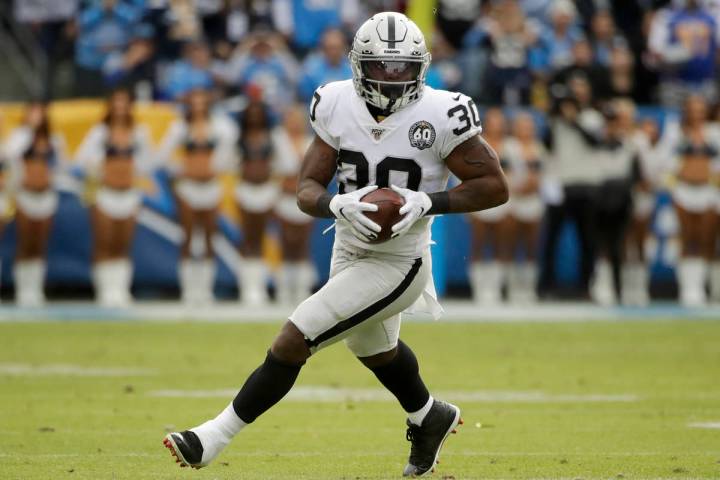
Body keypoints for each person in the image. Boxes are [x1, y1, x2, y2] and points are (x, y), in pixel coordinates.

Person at [163, 12, 508, 477]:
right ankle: (429, 415)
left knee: (295, 337)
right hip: (347, 247)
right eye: (381, 67)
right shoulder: (334, 102)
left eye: (403, 66)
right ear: (357, 65)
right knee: (373, 349)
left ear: (421, 66)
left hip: (400, 260)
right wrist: (336, 205)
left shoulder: (443, 111)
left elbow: (494, 186)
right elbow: (306, 187)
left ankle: (211, 437)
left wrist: (428, 200)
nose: (391, 78)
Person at [75, 88, 155, 307]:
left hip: (128, 194)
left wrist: (133, 172)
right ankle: (104, 290)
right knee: (104, 242)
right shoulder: (100, 132)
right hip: (105, 193)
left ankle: (120, 290)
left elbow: (149, 162)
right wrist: (102, 168)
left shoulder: (139, 133)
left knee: (123, 243)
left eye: (124, 102)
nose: (120, 107)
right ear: (110, 105)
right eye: (116, 102)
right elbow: (81, 158)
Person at [158, 88, 238, 305]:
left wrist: (218, 167)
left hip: (211, 187)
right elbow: (162, 156)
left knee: (210, 236)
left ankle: (205, 289)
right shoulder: (180, 127)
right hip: (188, 187)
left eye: (202, 101)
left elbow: (231, 147)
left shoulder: (219, 126)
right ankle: (188, 289)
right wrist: (180, 170)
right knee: (189, 236)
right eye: (194, 102)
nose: (198, 106)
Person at [3, 102, 68, 306]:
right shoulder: (19, 136)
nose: (37, 117)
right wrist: (28, 132)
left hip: (46, 195)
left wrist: (52, 179)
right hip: (24, 194)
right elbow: (9, 155)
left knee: (40, 243)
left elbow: (63, 164)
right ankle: (22, 290)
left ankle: (35, 288)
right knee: (25, 242)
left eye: (40, 114)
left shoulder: (54, 140)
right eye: (33, 113)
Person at [665, 94, 720, 306]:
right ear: (686, 111)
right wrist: (672, 183)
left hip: (708, 190)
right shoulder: (675, 131)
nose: (696, 114)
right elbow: (667, 159)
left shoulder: (715, 132)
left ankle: (703, 286)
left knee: (706, 239)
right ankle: (688, 289)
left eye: (700, 109)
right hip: (683, 190)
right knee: (688, 239)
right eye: (692, 109)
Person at [467, 108, 516, 303]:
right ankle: (479, 289)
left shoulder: (511, 146)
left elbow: (517, 172)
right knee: (478, 244)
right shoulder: (475, 144)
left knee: (500, 245)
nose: (496, 125)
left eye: (500, 121)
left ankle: (495, 288)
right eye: (492, 121)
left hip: (503, 201)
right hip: (479, 201)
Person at [272, 105, 316, 304]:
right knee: (285, 243)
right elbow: (277, 169)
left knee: (302, 244)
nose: (295, 123)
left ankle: (301, 288)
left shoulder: (310, 142)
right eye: (291, 119)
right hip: (283, 197)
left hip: (303, 199)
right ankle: (283, 288)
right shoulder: (278, 140)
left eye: (298, 119)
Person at [235, 97, 277, 305]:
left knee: (260, 239)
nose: (254, 116)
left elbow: (278, 162)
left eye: (258, 112)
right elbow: (231, 160)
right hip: (246, 189)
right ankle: (246, 286)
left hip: (265, 190)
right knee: (247, 239)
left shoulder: (272, 137)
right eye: (250, 113)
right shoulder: (239, 137)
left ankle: (258, 287)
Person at [505, 112, 546, 302]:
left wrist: (535, 185)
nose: (526, 130)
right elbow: (503, 173)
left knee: (531, 247)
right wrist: (516, 188)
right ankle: (512, 288)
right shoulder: (508, 147)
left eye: (529, 126)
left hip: (533, 201)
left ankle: (528, 288)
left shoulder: (539, 148)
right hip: (513, 200)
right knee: (511, 245)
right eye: (522, 126)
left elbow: (545, 174)